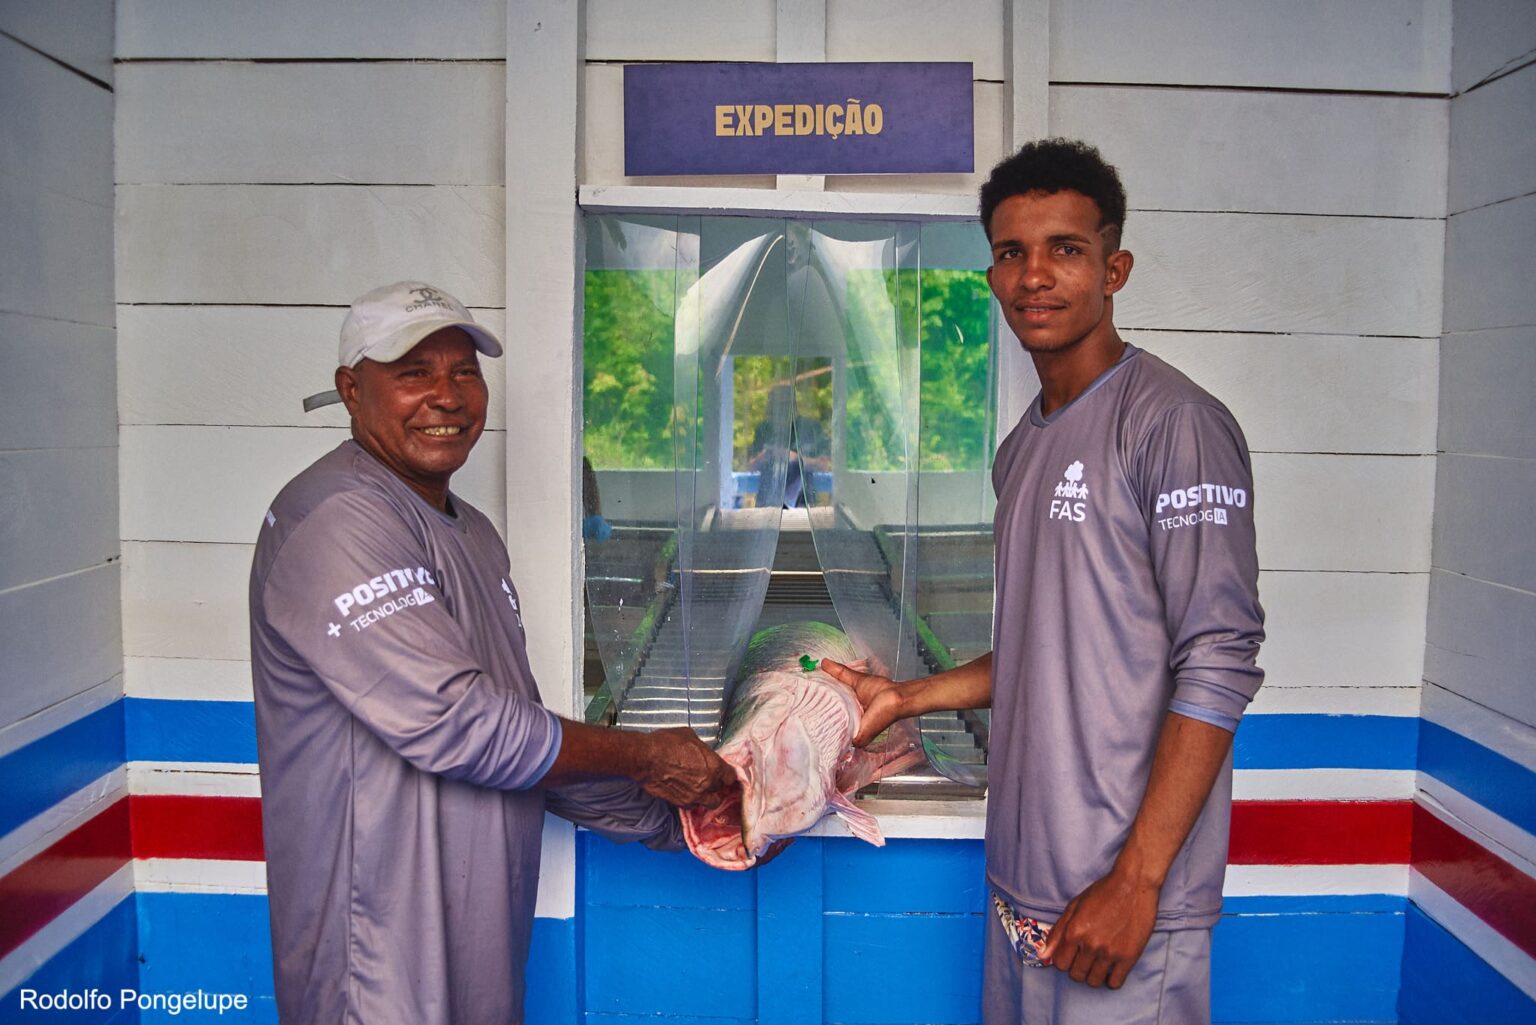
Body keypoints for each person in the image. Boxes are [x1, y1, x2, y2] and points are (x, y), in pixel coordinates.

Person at [823, 140, 1265, 1023]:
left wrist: (1136, 882)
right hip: (1023, 882)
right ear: (991, 275)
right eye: (1012, 252)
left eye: (1066, 248)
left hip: (1123, 902)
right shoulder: (1022, 447)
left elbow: (1219, 659)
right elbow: (1048, 643)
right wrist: (906, 697)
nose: (1035, 275)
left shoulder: (1173, 423)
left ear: (1114, 268)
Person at [248, 280, 737, 1025]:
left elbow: (523, 738)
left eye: (464, 372)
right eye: (413, 372)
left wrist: (681, 820)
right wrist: (646, 756)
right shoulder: (337, 520)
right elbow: (463, 725)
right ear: (352, 390)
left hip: (478, 942)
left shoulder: (470, 531)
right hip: (377, 948)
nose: (446, 396)